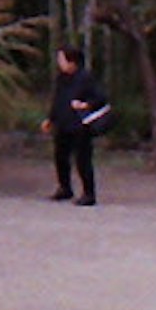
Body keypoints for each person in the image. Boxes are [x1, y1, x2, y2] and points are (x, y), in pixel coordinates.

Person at [44, 44, 111, 206]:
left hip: (81, 125)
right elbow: (57, 100)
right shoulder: (61, 79)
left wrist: (85, 105)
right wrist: (51, 119)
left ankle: (89, 194)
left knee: (83, 160)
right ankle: (65, 187)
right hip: (63, 123)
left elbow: (100, 98)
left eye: (62, 59)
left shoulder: (86, 78)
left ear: (72, 62)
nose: (59, 63)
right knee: (60, 157)